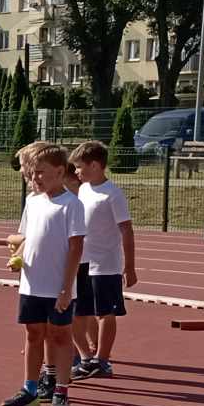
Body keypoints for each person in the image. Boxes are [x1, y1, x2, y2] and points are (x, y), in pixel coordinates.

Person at [0, 143, 84, 406]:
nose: (35, 177)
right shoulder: (33, 201)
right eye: (33, 172)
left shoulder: (72, 205)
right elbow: (25, 238)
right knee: (33, 334)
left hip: (58, 287)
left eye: (41, 172)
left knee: (60, 336)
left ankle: (61, 391)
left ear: (59, 172)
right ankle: (30, 390)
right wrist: (16, 257)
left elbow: (76, 248)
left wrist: (66, 288)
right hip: (31, 283)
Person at [69, 139, 136, 379]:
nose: (76, 172)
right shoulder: (84, 189)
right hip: (82, 261)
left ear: (95, 165)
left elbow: (126, 229)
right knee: (77, 312)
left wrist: (129, 266)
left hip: (106, 264)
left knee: (104, 313)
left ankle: (102, 361)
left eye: (79, 167)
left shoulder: (113, 194)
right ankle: (86, 357)